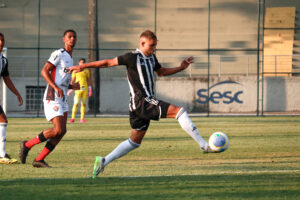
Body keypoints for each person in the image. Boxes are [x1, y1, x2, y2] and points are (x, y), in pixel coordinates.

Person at [69, 30, 215, 177]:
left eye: (155, 46)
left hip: (139, 105)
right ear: (142, 43)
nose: (153, 49)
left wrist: (181, 67)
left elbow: (161, 72)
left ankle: (103, 161)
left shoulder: (151, 58)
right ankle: (203, 145)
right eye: (151, 46)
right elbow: (108, 63)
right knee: (180, 111)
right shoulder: (131, 57)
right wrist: (84, 66)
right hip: (142, 101)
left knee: (135, 142)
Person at [19, 29, 79, 168]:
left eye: (74, 37)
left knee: (62, 131)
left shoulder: (70, 58)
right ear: (64, 39)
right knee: (57, 130)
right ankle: (27, 145)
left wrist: (71, 85)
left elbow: (61, 78)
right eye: (69, 37)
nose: (72, 39)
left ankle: (39, 159)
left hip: (62, 95)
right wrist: (55, 87)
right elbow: (44, 71)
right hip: (53, 94)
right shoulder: (59, 54)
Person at [0, 33, 23, 164]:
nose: (1, 42)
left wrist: (17, 93)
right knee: (2, 119)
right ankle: (2, 154)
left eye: (2, 40)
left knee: (3, 120)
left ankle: (2, 154)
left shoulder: (3, 60)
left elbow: (7, 79)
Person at [67, 58, 92, 123]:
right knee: (76, 104)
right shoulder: (75, 70)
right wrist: (70, 89)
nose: (82, 63)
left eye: (83, 62)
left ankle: (82, 118)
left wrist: (90, 89)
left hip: (85, 89)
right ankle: (72, 118)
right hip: (77, 88)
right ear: (79, 63)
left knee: (83, 104)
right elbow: (72, 80)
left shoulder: (87, 70)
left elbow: (89, 80)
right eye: (81, 62)